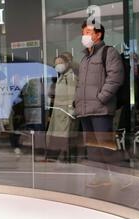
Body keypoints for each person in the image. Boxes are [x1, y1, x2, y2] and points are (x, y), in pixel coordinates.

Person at [74, 21, 125, 187]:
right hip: (85, 110)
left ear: (98, 34)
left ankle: (121, 178)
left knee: (106, 146)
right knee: (92, 147)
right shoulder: (84, 59)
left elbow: (115, 78)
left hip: (101, 109)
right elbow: (80, 84)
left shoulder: (108, 52)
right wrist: (77, 103)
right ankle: (100, 177)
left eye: (88, 32)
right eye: (83, 33)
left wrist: (101, 98)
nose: (84, 36)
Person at [46, 54, 79, 163]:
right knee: (57, 135)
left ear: (67, 63)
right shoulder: (61, 77)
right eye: (56, 64)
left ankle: (65, 158)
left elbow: (72, 94)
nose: (58, 65)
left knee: (65, 136)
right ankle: (57, 157)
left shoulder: (70, 77)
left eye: (60, 63)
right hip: (59, 112)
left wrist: (71, 109)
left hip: (66, 113)